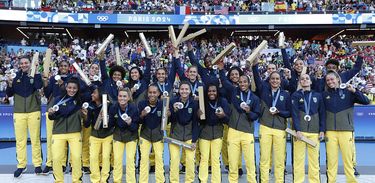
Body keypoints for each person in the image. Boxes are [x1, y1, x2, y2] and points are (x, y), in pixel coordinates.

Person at [323, 71, 370, 183]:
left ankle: (351, 181)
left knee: (348, 160)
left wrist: (354, 91)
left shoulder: (348, 92)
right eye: (328, 80)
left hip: (346, 131)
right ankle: (331, 181)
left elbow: (366, 101)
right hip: (330, 132)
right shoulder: (324, 95)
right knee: (331, 161)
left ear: (338, 79)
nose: (330, 82)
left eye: (332, 79)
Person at [252, 61, 291, 183]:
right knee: (264, 158)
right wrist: (254, 65)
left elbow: (289, 113)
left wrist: (279, 112)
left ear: (281, 81)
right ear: (269, 80)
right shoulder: (264, 91)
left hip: (280, 129)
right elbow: (257, 78)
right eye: (272, 79)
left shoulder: (286, 94)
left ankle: (279, 181)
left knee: (279, 160)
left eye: (277, 79)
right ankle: (264, 181)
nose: (274, 81)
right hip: (265, 127)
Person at [6, 56, 43, 177]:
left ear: (30, 64)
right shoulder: (16, 76)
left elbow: (38, 86)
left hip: (34, 112)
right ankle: (21, 166)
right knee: (20, 141)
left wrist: (36, 71)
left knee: (35, 140)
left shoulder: (33, 74)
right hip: (19, 113)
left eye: (26, 63)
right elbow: (9, 93)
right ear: (19, 65)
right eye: (21, 63)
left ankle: (37, 164)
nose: (23, 65)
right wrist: (10, 84)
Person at [223, 75, 260, 183]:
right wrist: (221, 70)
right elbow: (225, 82)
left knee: (250, 163)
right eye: (240, 82)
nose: (242, 84)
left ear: (249, 83)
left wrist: (248, 112)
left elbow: (255, 116)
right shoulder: (234, 93)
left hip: (247, 133)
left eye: (244, 82)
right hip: (233, 131)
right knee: (233, 163)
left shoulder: (254, 98)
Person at [291, 74, 325, 183]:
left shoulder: (318, 95)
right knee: (298, 161)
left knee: (314, 161)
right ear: (300, 82)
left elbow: (322, 113)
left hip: (314, 133)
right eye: (302, 79)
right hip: (300, 133)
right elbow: (294, 114)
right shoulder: (295, 95)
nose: (304, 80)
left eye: (307, 78)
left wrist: (322, 130)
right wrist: (297, 130)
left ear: (310, 82)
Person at [48, 78, 83, 183]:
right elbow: (51, 117)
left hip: (75, 132)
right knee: (57, 158)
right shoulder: (58, 99)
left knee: (76, 158)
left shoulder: (80, 101)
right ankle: (59, 180)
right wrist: (51, 113)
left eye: (74, 88)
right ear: (66, 88)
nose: (72, 90)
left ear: (77, 89)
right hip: (58, 132)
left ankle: (76, 180)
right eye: (70, 88)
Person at [42, 60, 70, 174]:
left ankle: (62, 164)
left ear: (68, 67)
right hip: (52, 110)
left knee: (63, 138)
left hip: (64, 111)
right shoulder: (53, 78)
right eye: (61, 65)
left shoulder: (71, 79)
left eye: (65, 66)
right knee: (50, 138)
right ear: (58, 67)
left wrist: (63, 85)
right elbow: (48, 94)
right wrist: (45, 83)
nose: (63, 67)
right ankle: (49, 163)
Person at [198, 83, 230, 183]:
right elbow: (199, 120)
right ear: (206, 92)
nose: (211, 93)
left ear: (217, 92)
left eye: (214, 91)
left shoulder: (223, 101)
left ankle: (216, 181)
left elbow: (228, 120)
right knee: (204, 158)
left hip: (217, 133)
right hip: (204, 134)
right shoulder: (202, 102)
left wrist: (223, 115)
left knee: (215, 159)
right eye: (209, 91)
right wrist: (198, 115)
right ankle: (203, 180)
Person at [169, 81, 199, 183]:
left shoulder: (194, 103)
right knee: (174, 160)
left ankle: (189, 181)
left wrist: (194, 140)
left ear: (190, 91)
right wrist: (173, 111)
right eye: (182, 89)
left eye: (186, 89)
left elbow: (196, 123)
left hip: (189, 136)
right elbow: (169, 120)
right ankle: (173, 181)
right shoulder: (173, 101)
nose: (184, 91)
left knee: (190, 161)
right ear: (179, 90)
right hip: (175, 136)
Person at [82, 87, 114, 183]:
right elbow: (87, 124)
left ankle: (104, 179)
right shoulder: (90, 106)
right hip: (94, 136)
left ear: (100, 95)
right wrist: (85, 116)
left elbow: (113, 123)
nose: (92, 95)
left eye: (94, 93)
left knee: (105, 157)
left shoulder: (110, 106)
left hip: (107, 135)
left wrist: (106, 120)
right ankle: (95, 180)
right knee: (93, 157)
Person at [138, 84, 166, 183]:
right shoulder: (141, 104)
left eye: (154, 92)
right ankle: (142, 181)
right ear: (147, 93)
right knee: (144, 159)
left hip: (158, 136)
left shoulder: (163, 104)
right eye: (150, 92)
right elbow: (138, 121)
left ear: (158, 93)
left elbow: (167, 121)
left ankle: (160, 181)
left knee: (159, 158)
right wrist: (142, 115)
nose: (152, 94)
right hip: (144, 136)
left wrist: (169, 115)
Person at [110, 88, 139, 183]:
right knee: (117, 160)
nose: (122, 98)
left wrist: (130, 123)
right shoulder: (114, 107)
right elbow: (110, 125)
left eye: (124, 96)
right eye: (120, 96)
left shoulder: (133, 108)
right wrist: (105, 119)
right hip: (118, 136)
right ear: (117, 97)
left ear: (128, 97)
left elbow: (135, 127)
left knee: (130, 160)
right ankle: (116, 181)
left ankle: (131, 181)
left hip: (131, 136)